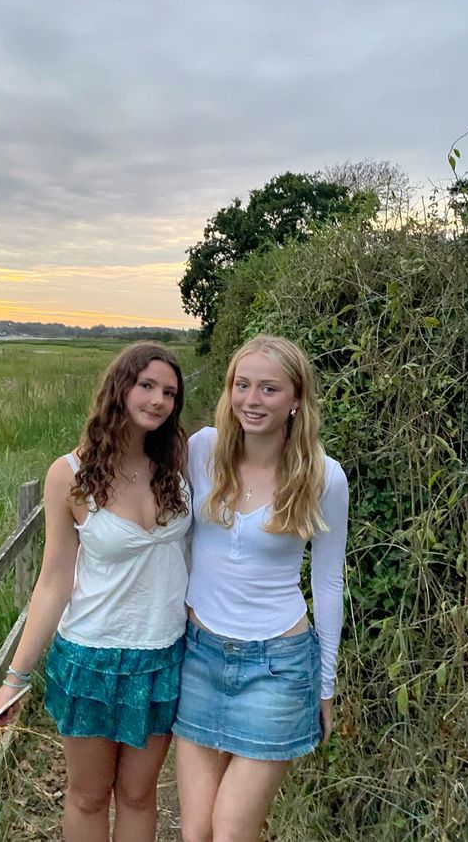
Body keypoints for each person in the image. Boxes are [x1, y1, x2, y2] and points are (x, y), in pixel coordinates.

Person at [0, 342, 191, 842]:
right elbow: (54, 579)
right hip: (91, 658)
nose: (158, 400)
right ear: (119, 388)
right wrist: (16, 677)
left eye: (169, 393)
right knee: (89, 796)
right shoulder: (70, 474)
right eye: (146, 385)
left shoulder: (179, 465)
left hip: (163, 655)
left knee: (139, 795)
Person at [173, 334, 349, 842]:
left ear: (296, 399)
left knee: (230, 831)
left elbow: (328, 581)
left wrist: (326, 685)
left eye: (269, 388)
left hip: (277, 667)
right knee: (196, 832)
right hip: (200, 656)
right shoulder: (203, 450)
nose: (251, 400)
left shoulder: (323, 477)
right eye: (242, 385)